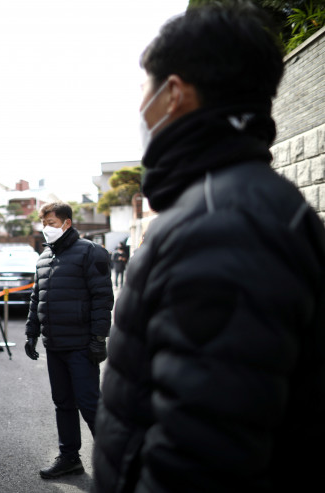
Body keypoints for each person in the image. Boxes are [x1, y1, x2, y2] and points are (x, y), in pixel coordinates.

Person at [93, 4, 325, 493]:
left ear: (174, 94)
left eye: (145, 88)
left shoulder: (223, 222)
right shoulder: (239, 202)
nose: (141, 106)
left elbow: (201, 458)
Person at [24, 202, 113, 479]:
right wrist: (31, 332)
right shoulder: (44, 256)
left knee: (89, 403)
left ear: (67, 223)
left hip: (81, 344)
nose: (46, 228)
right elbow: (37, 297)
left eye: (51, 223)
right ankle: (70, 458)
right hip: (54, 344)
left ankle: (114, 461)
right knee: (63, 403)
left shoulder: (90, 251)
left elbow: (102, 298)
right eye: (44, 223)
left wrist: (99, 337)